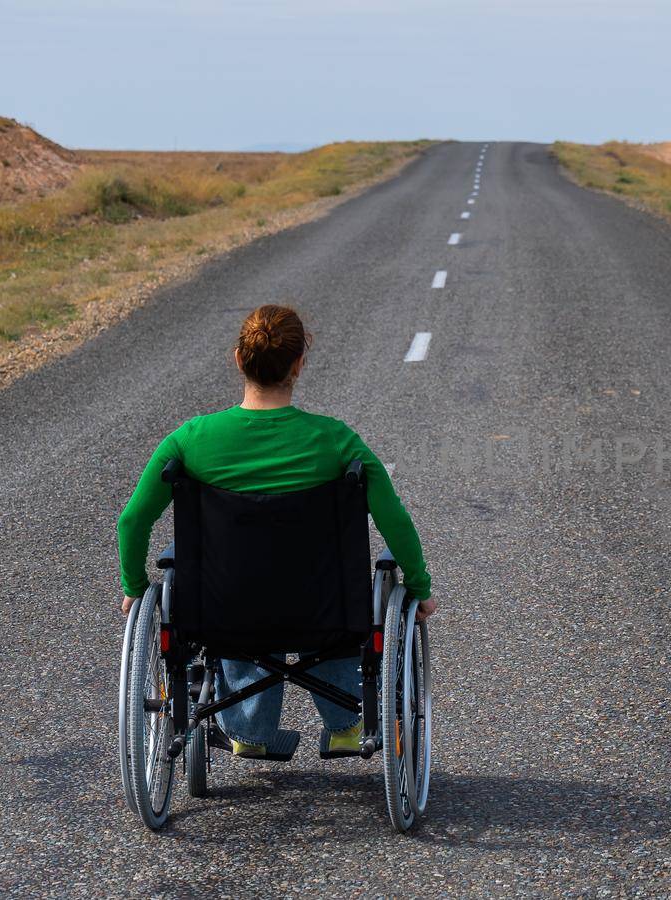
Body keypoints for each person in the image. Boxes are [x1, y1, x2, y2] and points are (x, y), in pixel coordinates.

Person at [116, 304, 434, 758]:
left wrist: (134, 586)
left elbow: (132, 521)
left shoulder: (190, 440)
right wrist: (419, 587)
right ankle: (348, 723)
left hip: (222, 612)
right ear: (298, 365)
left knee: (228, 579)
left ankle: (248, 731)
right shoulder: (337, 441)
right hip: (325, 612)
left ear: (239, 360)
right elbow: (394, 522)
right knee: (333, 591)